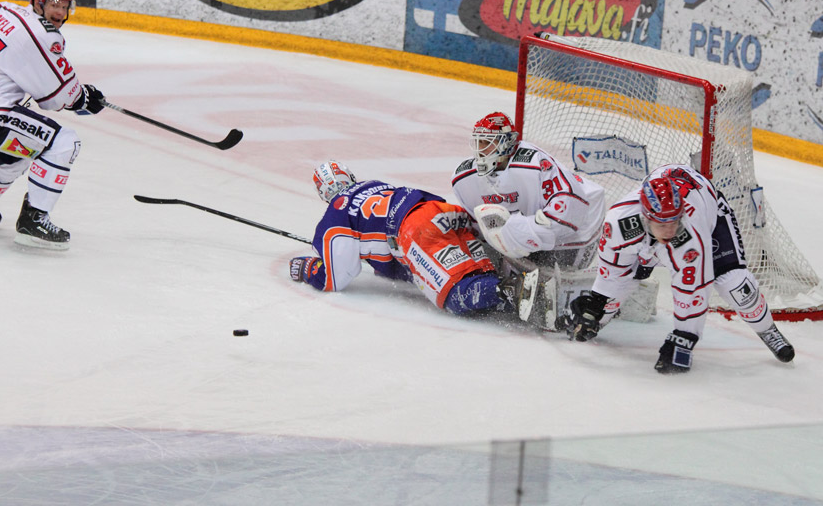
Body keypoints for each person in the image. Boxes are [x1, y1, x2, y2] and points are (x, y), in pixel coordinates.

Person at [565, 163, 795, 374]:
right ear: (646, 218)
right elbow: (613, 271)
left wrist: (684, 337)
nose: (670, 231)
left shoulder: (688, 236)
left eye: (674, 221)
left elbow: (694, 288)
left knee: (735, 285)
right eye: (663, 224)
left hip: (712, 217)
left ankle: (768, 330)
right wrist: (597, 304)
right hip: (652, 233)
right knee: (618, 290)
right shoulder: (618, 224)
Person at [288, 160, 538, 318]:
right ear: (351, 177)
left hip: (416, 229)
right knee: (481, 275)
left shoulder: (337, 211)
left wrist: (308, 268)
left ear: (323, 194)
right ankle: (523, 289)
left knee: (455, 296)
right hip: (443, 212)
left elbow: (335, 277)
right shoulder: (375, 185)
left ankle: (515, 290)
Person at [0, 0, 107, 250]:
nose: (60, 12)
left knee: (14, 156)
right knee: (63, 142)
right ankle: (33, 221)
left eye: (64, 5)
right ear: (37, 2)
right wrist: (85, 99)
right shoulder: (43, 36)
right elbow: (58, 98)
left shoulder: (2, 9)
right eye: (53, 4)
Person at [451, 111, 606, 271]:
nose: (480, 149)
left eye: (487, 142)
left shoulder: (534, 165)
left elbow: (572, 208)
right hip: (541, 229)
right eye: (478, 142)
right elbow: (479, 225)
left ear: (506, 143)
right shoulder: (463, 177)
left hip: (582, 223)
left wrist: (523, 231)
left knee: (556, 276)